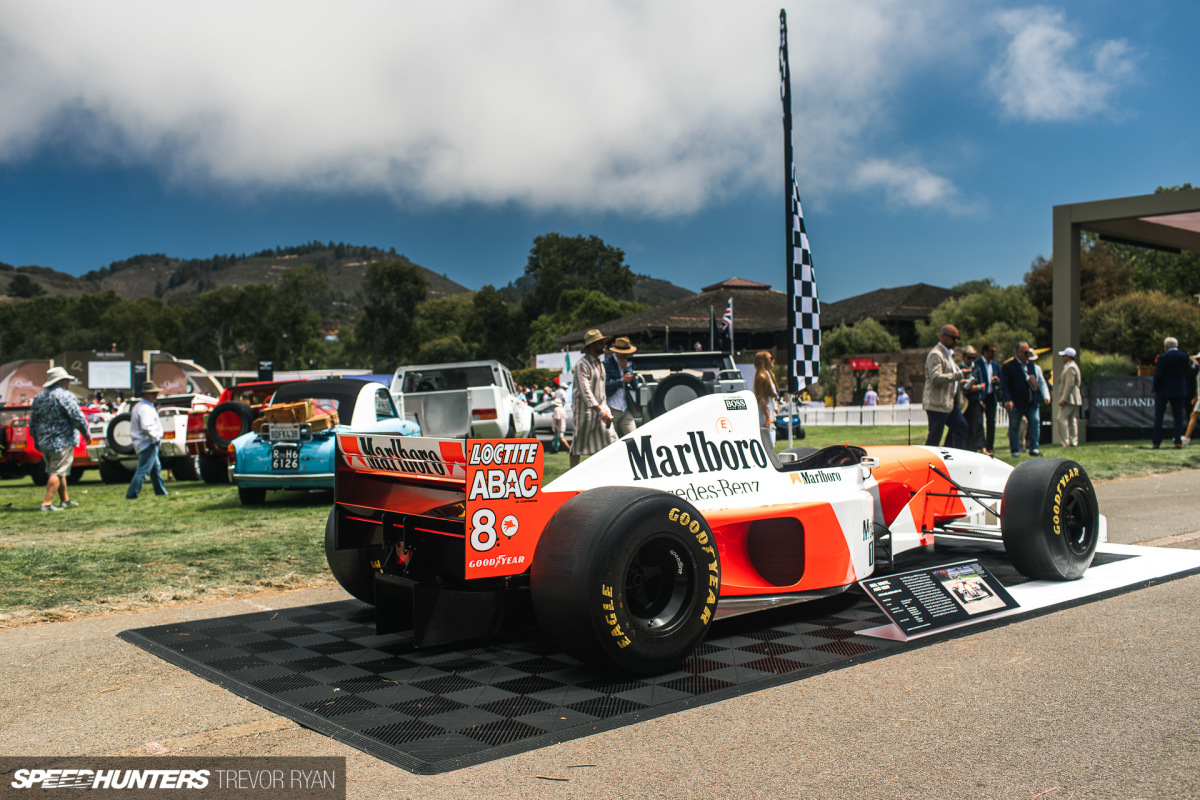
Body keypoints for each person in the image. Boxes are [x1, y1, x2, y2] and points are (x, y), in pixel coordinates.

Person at [28, 366, 92, 511]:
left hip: (44, 441)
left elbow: (32, 422)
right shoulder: (65, 396)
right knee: (57, 472)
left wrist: (36, 440)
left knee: (57, 470)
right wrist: (85, 432)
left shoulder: (39, 397)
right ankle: (47, 503)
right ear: (62, 381)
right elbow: (77, 417)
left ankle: (65, 499)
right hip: (62, 440)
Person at [570, 329, 617, 468]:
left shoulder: (600, 363)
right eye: (600, 343)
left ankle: (609, 472)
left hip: (601, 408)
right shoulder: (581, 364)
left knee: (611, 440)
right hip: (585, 411)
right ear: (591, 345)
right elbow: (585, 391)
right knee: (579, 444)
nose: (604, 345)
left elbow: (600, 390)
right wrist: (600, 411)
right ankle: (570, 475)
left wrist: (604, 410)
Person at [922, 324, 970, 448]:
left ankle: (957, 459)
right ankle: (927, 462)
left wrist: (962, 382)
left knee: (961, 428)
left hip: (949, 404)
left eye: (957, 338)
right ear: (942, 336)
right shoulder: (936, 354)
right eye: (953, 338)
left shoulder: (949, 355)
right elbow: (936, 378)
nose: (956, 341)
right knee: (934, 438)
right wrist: (958, 375)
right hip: (937, 404)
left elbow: (951, 377)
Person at [126, 380, 169, 499]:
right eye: (153, 393)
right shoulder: (145, 408)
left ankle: (160, 491)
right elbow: (146, 426)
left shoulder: (143, 406)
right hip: (147, 443)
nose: (156, 395)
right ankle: (132, 494)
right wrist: (156, 437)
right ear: (146, 394)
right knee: (143, 470)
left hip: (146, 442)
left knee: (155, 468)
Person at [1000, 341, 1042, 458]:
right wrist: (1008, 400)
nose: (1028, 355)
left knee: (1034, 422)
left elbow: (1035, 384)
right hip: (1016, 403)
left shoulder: (1031, 366)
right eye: (1026, 352)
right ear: (1017, 353)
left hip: (1031, 402)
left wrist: (1038, 398)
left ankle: (1034, 448)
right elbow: (1005, 385)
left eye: (1029, 353)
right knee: (1014, 426)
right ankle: (1015, 450)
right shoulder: (1008, 367)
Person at [1152, 336, 1193, 449]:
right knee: (1178, 416)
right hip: (1179, 390)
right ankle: (1177, 441)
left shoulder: (1163, 358)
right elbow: (1187, 373)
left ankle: (1156, 442)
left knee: (1159, 416)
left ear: (1166, 347)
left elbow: (1158, 375)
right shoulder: (1184, 357)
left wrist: (1156, 388)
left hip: (1163, 390)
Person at [604, 336, 639, 437]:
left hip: (625, 407)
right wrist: (622, 381)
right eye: (624, 353)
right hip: (611, 407)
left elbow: (635, 385)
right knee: (610, 439)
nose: (627, 356)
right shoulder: (607, 364)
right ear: (617, 352)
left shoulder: (627, 364)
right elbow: (604, 386)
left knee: (634, 436)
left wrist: (628, 371)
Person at [974, 343, 1000, 455]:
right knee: (979, 422)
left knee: (991, 423)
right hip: (981, 396)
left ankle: (990, 446)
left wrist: (996, 380)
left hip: (991, 396)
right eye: (991, 351)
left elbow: (999, 380)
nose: (993, 354)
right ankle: (981, 445)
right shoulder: (977, 364)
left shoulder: (995, 365)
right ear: (985, 351)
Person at [959, 345, 986, 451]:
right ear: (963, 356)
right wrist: (977, 387)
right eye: (969, 358)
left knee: (977, 424)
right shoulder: (959, 369)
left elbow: (982, 385)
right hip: (963, 401)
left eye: (973, 358)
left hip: (974, 400)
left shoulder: (976, 368)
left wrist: (977, 389)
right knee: (965, 425)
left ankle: (979, 447)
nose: (971, 360)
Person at [1055, 347, 1083, 447]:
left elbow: (1069, 384)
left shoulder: (1071, 367)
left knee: (1061, 418)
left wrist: (1064, 398)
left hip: (1070, 398)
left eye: (1064, 356)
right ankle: (1072, 441)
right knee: (1072, 420)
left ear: (1068, 356)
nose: (1062, 357)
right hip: (1074, 398)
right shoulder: (1071, 366)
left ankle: (1065, 442)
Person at [753, 351, 780, 435]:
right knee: (768, 441)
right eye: (770, 358)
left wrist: (776, 405)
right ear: (763, 361)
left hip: (770, 411)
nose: (773, 360)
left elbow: (773, 393)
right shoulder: (761, 376)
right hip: (764, 413)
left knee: (771, 440)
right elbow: (761, 397)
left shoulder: (770, 375)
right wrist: (767, 417)